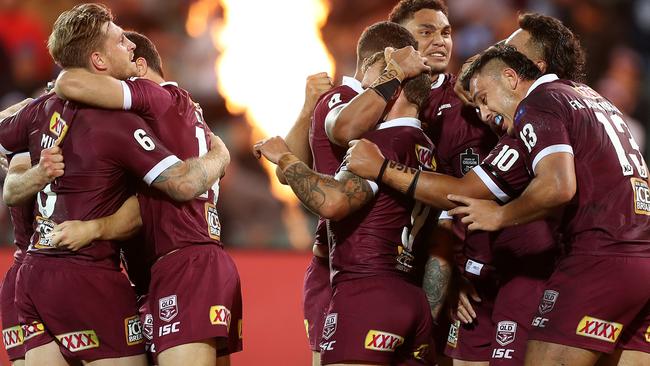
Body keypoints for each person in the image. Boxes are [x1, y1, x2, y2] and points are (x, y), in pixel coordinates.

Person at [347, 11, 588, 366]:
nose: (439, 41)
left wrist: (382, 169)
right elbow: (341, 131)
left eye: (445, 32)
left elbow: (466, 191)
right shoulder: (387, 107)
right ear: (395, 46)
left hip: (527, 267)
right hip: (452, 275)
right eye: (425, 32)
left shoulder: (490, 101)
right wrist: (453, 270)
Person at [0, 4, 228, 365]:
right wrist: (221, 155)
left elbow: (8, 147)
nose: (131, 48)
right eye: (121, 41)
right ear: (99, 61)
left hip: (27, 275)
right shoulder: (117, 124)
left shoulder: (38, 110)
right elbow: (181, 184)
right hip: (86, 273)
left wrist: (20, 168)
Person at [449, 44, 650, 366]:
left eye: (484, 98)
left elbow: (558, 186)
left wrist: (500, 215)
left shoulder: (538, 103)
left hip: (599, 256)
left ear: (511, 78)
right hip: (642, 258)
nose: (484, 114)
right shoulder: (592, 97)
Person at [51, 30, 240, 366]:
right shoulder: (179, 114)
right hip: (185, 260)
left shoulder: (154, 96)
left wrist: (91, 229)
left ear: (139, 68)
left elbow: (71, 83)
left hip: (183, 261)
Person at [255, 53, 436, 365]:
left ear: (394, 90)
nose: (365, 95)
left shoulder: (379, 142)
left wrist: (284, 157)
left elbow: (334, 202)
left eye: (374, 88)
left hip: (365, 293)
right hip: (412, 298)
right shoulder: (429, 149)